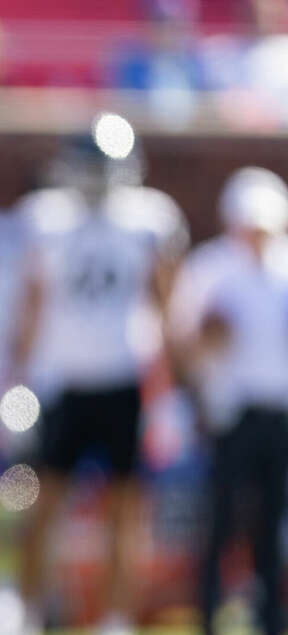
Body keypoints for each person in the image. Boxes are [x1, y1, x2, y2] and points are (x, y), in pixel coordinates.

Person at [10, 113, 187, 634]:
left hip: (124, 377)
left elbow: (166, 304)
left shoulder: (151, 217)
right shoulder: (45, 217)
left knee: (126, 509)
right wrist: (15, 378)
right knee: (43, 504)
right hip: (62, 379)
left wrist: (170, 387)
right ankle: (28, 613)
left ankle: (115, 621)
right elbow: (32, 303)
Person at [167, 166, 288, 635]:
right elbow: (183, 347)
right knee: (219, 524)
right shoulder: (209, 268)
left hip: (278, 414)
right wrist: (207, 341)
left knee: (271, 527)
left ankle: (271, 620)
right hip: (229, 414)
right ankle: (209, 617)